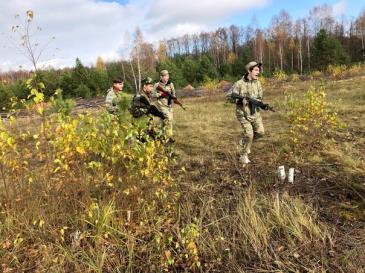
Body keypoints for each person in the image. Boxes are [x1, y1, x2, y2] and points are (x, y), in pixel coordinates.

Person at [226, 61, 265, 164]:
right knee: (249, 134)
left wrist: (261, 104)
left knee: (260, 132)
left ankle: (244, 142)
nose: (258, 72)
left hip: (254, 113)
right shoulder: (239, 84)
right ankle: (243, 156)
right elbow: (229, 97)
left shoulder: (258, 83)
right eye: (256, 70)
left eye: (259, 70)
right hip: (242, 113)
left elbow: (260, 97)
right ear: (249, 71)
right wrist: (239, 100)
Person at [152, 70, 175, 138]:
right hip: (161, 105)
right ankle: (169, 136)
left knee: (163, 121)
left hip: (169, 106)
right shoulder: (157, 85)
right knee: (169, 119)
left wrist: (173, 98)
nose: (166, 78)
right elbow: (152, 94)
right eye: (164, 76)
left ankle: (160, 135)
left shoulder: (171, 84)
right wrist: (159, 94)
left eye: (167, 76)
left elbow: (174, 93)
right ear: (161, 77)